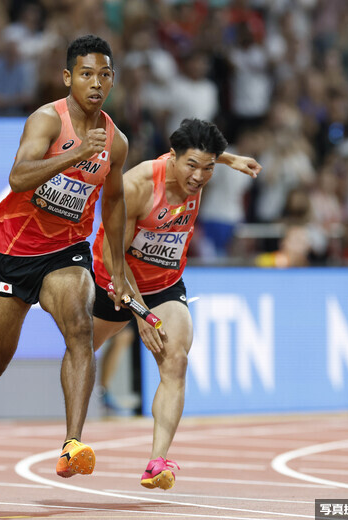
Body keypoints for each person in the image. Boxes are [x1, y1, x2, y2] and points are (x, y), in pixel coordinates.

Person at [0, 34, 133, 480]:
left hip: (66, 251)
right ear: (68, 77)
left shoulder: (117, 142)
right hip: (14, 251)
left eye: (104, 75)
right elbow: (18, 177)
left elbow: (112, 203)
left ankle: (72, 444)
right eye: (86, 74)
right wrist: (75, 154)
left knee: (79, 326)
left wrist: (120, 268)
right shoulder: (47, 121)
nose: (96, 83)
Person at [90, 118, 261, 490]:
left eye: (209, 168)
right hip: (114, 278)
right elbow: (115, 259)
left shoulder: (199, 170)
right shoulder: (136, 187)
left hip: (165, 283)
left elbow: (203, 159)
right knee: (81, 351)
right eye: (192, 166)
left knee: (176, 360)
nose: (199, 177)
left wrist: (230, 161)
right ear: (172, 157)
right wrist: (140, 316)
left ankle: (157, 461)